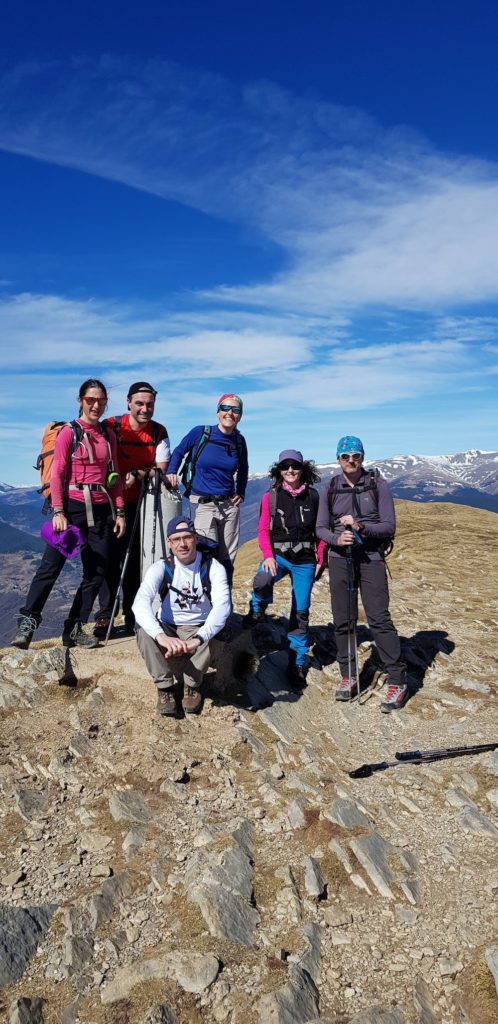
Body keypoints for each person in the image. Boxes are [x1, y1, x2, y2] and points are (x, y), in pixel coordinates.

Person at [12, 379, 126, 650]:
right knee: (50, 567)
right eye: (90, 400)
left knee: (95, 573)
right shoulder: (69, 433)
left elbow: (116, 478)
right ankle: (28, 623)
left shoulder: (108, 436)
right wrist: (58, 511)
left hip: (101, 509)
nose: (96, 405)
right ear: (80, 401)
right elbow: (57, 473)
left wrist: (120, 511)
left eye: (100, 401)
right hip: (71, 508)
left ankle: (74, 627)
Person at [316, 435, 408, 712]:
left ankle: (397, 680)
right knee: (343, 619)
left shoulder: (377, 484)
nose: (351, 461)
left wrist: (360, 527)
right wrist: (335, 539)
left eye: (355, 456)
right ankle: (349, 675)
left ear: (363, 457)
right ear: (338, 459)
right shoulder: (329, 488)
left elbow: (389, 527)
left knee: (379, 617)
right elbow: (320, 528)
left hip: (370, 556)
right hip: (340, 558)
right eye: (345, 457)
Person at [132, 515, 231, 717]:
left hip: (199, 627)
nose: (182, 544)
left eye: (187, 537)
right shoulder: (161, 568)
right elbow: (140, 602)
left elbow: (223, 606)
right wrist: (161, 636)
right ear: (169, 542)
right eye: (176, 539)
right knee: (142, 629)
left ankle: (192, 684)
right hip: (170, 627)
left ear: (196, 538)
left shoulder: (213, 567)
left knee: (220, 628)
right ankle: (165, 687)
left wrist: (199, 638)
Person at [93, 381, 170, 637]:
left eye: (149, 404)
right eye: (139, 403)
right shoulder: (112, 426)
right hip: (107, 503)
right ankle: (105, 616)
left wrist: (138, 473)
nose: (145, 409)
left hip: (140, 506)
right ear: (128, 402)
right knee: (107, 560)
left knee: (134, 562)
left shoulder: (159, 432)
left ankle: (131, 614)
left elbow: (161, 470)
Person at [243, 450, 325, 688]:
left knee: (301, 610)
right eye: (285, 466)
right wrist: (268, 556)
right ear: (278, 470)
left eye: (295, 466)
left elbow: (321, 531)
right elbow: (262, 530)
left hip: (305, 561)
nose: (290, 470)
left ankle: (297, 661)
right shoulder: (271, 497)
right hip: (278, 557)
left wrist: (320, 559)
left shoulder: (314, 496)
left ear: (303, 469)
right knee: (261, 580)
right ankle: (257, 608)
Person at [165, 393, 248, 585]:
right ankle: (205, 603)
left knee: (227, 557)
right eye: (226, 408)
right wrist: (171, 471)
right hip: (203, 504)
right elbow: (179, 451)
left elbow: (243, 468)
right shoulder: (201, 433)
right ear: (218, 412)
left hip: (229, 505)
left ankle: (224, 605)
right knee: (205, 552)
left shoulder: (239, 441)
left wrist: (241, 492)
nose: (230, 413)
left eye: (235, 410)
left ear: (240, 415)